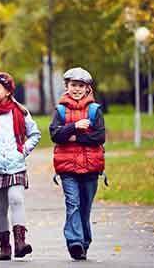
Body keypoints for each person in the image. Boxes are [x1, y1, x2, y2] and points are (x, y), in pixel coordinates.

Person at [0, 72, 41, 261]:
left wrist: (23, 152)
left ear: (8, 91)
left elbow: (35, 134)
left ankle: (20, 242)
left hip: (16, 165)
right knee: (1, 208)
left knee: (16, 199)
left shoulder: (20, 112)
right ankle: (4, 246)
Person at [49, 67, 105, 260]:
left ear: (87, 88)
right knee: (72, 203)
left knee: (84, 207)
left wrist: (73, 137)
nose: (77, 89)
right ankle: (74, 242)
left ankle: (84, 242)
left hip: (91, 167)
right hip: (67, 168)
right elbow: (55, 134)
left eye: (81, 86)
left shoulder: (94, 110)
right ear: (67, 87)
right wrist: (74, 126)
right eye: (73, 85)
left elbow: (99, 137)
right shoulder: (60, 110)